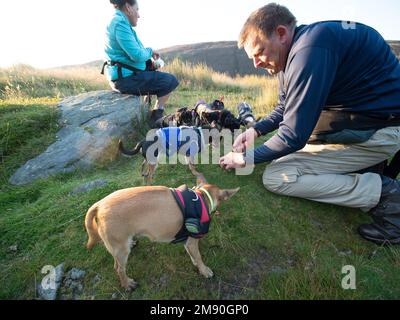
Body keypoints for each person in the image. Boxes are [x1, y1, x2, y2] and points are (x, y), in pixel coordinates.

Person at [219, 3, 400, 245]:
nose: (256, 64)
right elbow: (285, 109)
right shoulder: (293, 56)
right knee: (282, 153)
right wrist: (255, 130)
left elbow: (294, 134)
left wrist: (245, 159)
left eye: (260, 51)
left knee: (276, 175)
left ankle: (385, 195)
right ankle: (366, 168)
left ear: (281, 34)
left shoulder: (310, 49)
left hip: (381, 132)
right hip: (362, 124)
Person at [103, 0, 179, 126]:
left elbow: (132, 54)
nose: (138, 15)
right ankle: (155, 118)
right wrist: (150, 51)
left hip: (125, 75)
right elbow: (137, 55)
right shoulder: (119, 24)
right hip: (125, 80)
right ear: (128, 7)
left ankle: (146, 109)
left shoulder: (120, 22)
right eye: (137, 9)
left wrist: (149, 62)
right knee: (170, 81)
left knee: (153, 70)